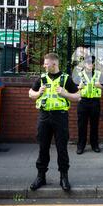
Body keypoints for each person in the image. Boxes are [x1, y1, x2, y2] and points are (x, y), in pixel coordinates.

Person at [28, 53, 80, 192]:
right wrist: (38, 93)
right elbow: (30, 94)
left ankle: (64, 177)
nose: (44, 65)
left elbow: (78, 96)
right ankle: (41, 177)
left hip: (60, 117)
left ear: (54, 64)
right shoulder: (42, 78)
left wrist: (65, 94)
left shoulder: (65, 79)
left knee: (61, 148)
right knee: (43, 147)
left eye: (46, 63)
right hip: (44, 116)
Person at [76, 56, 103, 154]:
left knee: (94, 125)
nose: (90, 65)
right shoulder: (79, 74)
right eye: (88, 63)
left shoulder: (98, 74)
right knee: (81, 125)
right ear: (84, 64)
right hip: (83, 102)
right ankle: (81, 146)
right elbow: (73, 91)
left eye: (91, 63)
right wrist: (79, 87)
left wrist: (99, 86)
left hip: (95, 102)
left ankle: (94, 145)